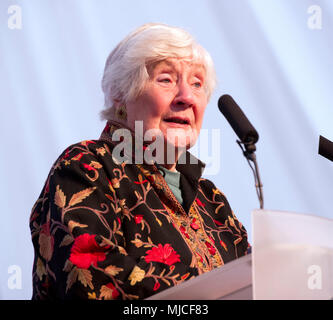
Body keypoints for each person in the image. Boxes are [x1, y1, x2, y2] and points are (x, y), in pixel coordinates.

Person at [30, 23, 249, 300]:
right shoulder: (86, 167)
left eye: (197, 84)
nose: (187, 97)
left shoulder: (212, 201)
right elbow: (89, 278)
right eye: (166, 79)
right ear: (122, 94)